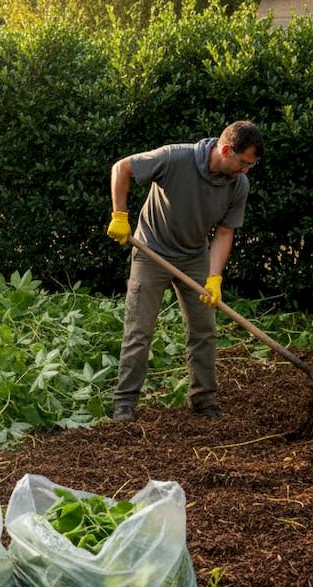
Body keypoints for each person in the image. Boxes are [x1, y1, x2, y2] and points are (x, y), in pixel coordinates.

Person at [105, 120, 264, 422]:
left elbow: (224, 233)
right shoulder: (176, 158)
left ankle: (204, 400)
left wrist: (214, 277)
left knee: (204, 331)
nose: (245, 171)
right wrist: (120, 215)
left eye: (250, 166)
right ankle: (125, 404)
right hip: (152, 252)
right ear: (227, 150)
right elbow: (122, 167)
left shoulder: (238, 185)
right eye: (243, 163)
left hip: (194, 257)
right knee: (139, 331)